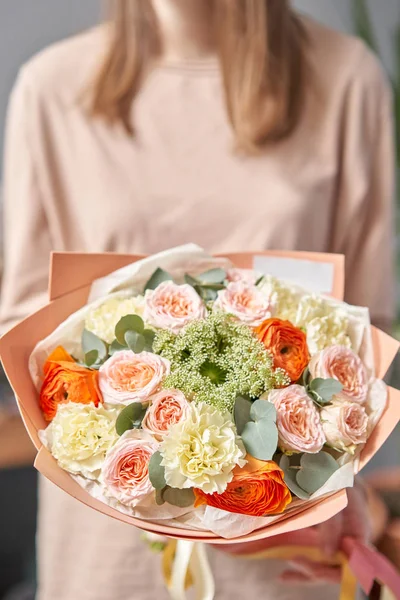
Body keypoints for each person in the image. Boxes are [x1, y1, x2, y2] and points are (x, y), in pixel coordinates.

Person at [0, 1, 395, 599]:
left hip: (285, 537)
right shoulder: (51, 89)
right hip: (106, 548)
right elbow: (26, 325)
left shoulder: (345, 78)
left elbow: (365, 329)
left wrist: (349, 486)